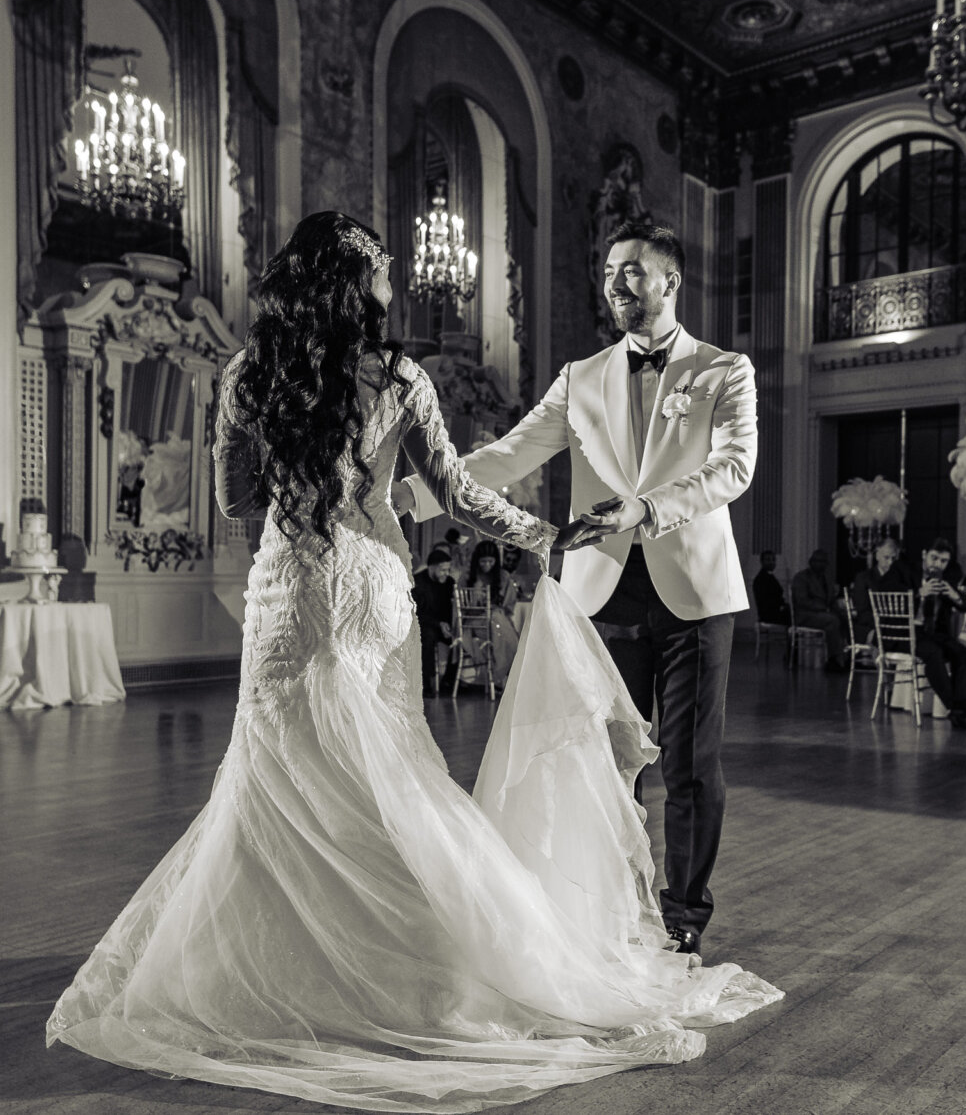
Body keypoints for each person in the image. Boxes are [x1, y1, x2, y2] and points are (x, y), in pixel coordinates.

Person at [47, 212, 779, 1112]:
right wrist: (538, 531)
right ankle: (432, 950)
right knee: (388, 769)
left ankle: (292, 954)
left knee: (277, 768)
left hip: (288, 586)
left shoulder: (247, 372)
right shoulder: (404, 377)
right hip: (370, 586)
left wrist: (312, 481)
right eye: (385, 265)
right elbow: (472, 483)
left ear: (669, 280)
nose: (396, 275)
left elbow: (237, 499)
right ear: (359, 282)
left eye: (636, 270)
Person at [397, 220, 758, 959]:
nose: (617, 283)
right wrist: (410, 496)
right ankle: (615, 908)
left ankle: (684, 914)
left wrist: (647, 508)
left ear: (670, 280)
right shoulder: (581, 376)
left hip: (694, 592)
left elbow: (735, 468)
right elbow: (507, 454)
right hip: (602, 592)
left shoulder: (725, 371)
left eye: (632, 270)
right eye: (609, 272)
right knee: (604, 765)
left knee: (690, 766)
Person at [908, 538, 966, 729]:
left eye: (943, 561)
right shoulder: (908, 571)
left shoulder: (948, 576)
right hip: (908, 632)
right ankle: (955, 709)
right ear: (924, 555)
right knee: (934, 653)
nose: (938, 564)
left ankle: (963, 708)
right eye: (934, 558)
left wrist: (954, 595)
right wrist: (919, 593)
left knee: (961, 652)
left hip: (934, 633)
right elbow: (890, 597)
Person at [459, 540, 521, 680]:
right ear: (477, 560)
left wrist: (495, 610)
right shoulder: (468, 577)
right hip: (474, 624)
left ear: (496, 560)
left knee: (497, 621)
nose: (487, 565)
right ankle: (500, 675)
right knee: (499, 624)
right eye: (483, 561)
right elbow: (461, 607)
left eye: (490, 561)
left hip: (496, 621)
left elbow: (508, 605)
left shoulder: (503, 576)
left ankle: (501, 673)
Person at [789, 548, 849, 669]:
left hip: (822, 615)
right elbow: (802, 601)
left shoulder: (826, 579)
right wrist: (824, 608)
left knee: (844, 619)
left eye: (823, 561)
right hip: (805, 615)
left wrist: (839, 608)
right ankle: (835, 658)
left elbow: (830, 600)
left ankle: (846, 657)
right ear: (811, 562)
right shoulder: (801, 578)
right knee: (832, 620)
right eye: (817, 561)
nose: (820, 564)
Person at [848, 536, 912, 647]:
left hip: (896, 628)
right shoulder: (863, 578)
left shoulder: (902, 579)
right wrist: (886, 623)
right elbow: (862, 612)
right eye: (886, 558)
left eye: (894, 559)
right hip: (869, 627)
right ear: (877, 555)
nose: (890, 563)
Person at [413, 547, 458, 694]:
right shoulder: (418, 582)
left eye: (448, 569)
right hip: (425, 625)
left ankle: (448, 681)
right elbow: (417, 613)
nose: (446, 573)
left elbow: (452, 608)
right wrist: (439, 624)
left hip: (446, 625)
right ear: (432, 567)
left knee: (459, 638)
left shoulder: (450, 582)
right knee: (427, 637)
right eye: (443, 569)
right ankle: (426, 682)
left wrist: (449, 626)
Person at [752, 551, 791, 626]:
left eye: (773, 560)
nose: (771, 562)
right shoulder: (761, 579)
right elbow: (767, 601)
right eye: (768, 560)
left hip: (774, 611)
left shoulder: (770, 576)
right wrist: (782, 606)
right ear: (762, 561)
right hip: (769, 615)